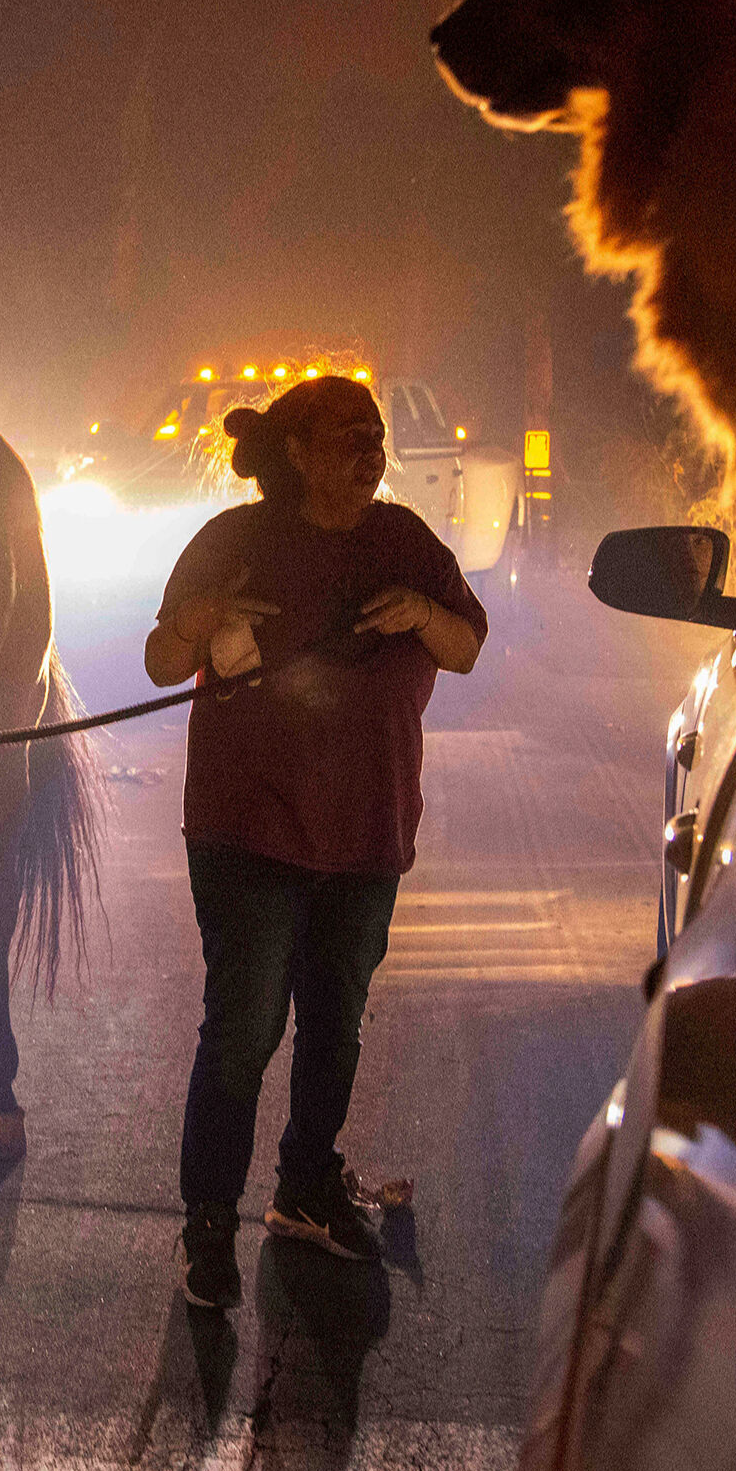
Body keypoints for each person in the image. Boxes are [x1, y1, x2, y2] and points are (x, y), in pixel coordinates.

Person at [146, 373, 488, 1309]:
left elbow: (466, 645)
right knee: (245, 1030)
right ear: (296, 452)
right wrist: (202, 620)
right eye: (350, 433)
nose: (371, 448)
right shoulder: (237, 541)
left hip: (367, 833)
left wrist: (423, 613)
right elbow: (160, 659)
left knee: (334, 1027)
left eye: (376, 433)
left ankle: (304, 1190)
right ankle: (209, 1225)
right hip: (248, 830)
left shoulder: (404, 541)